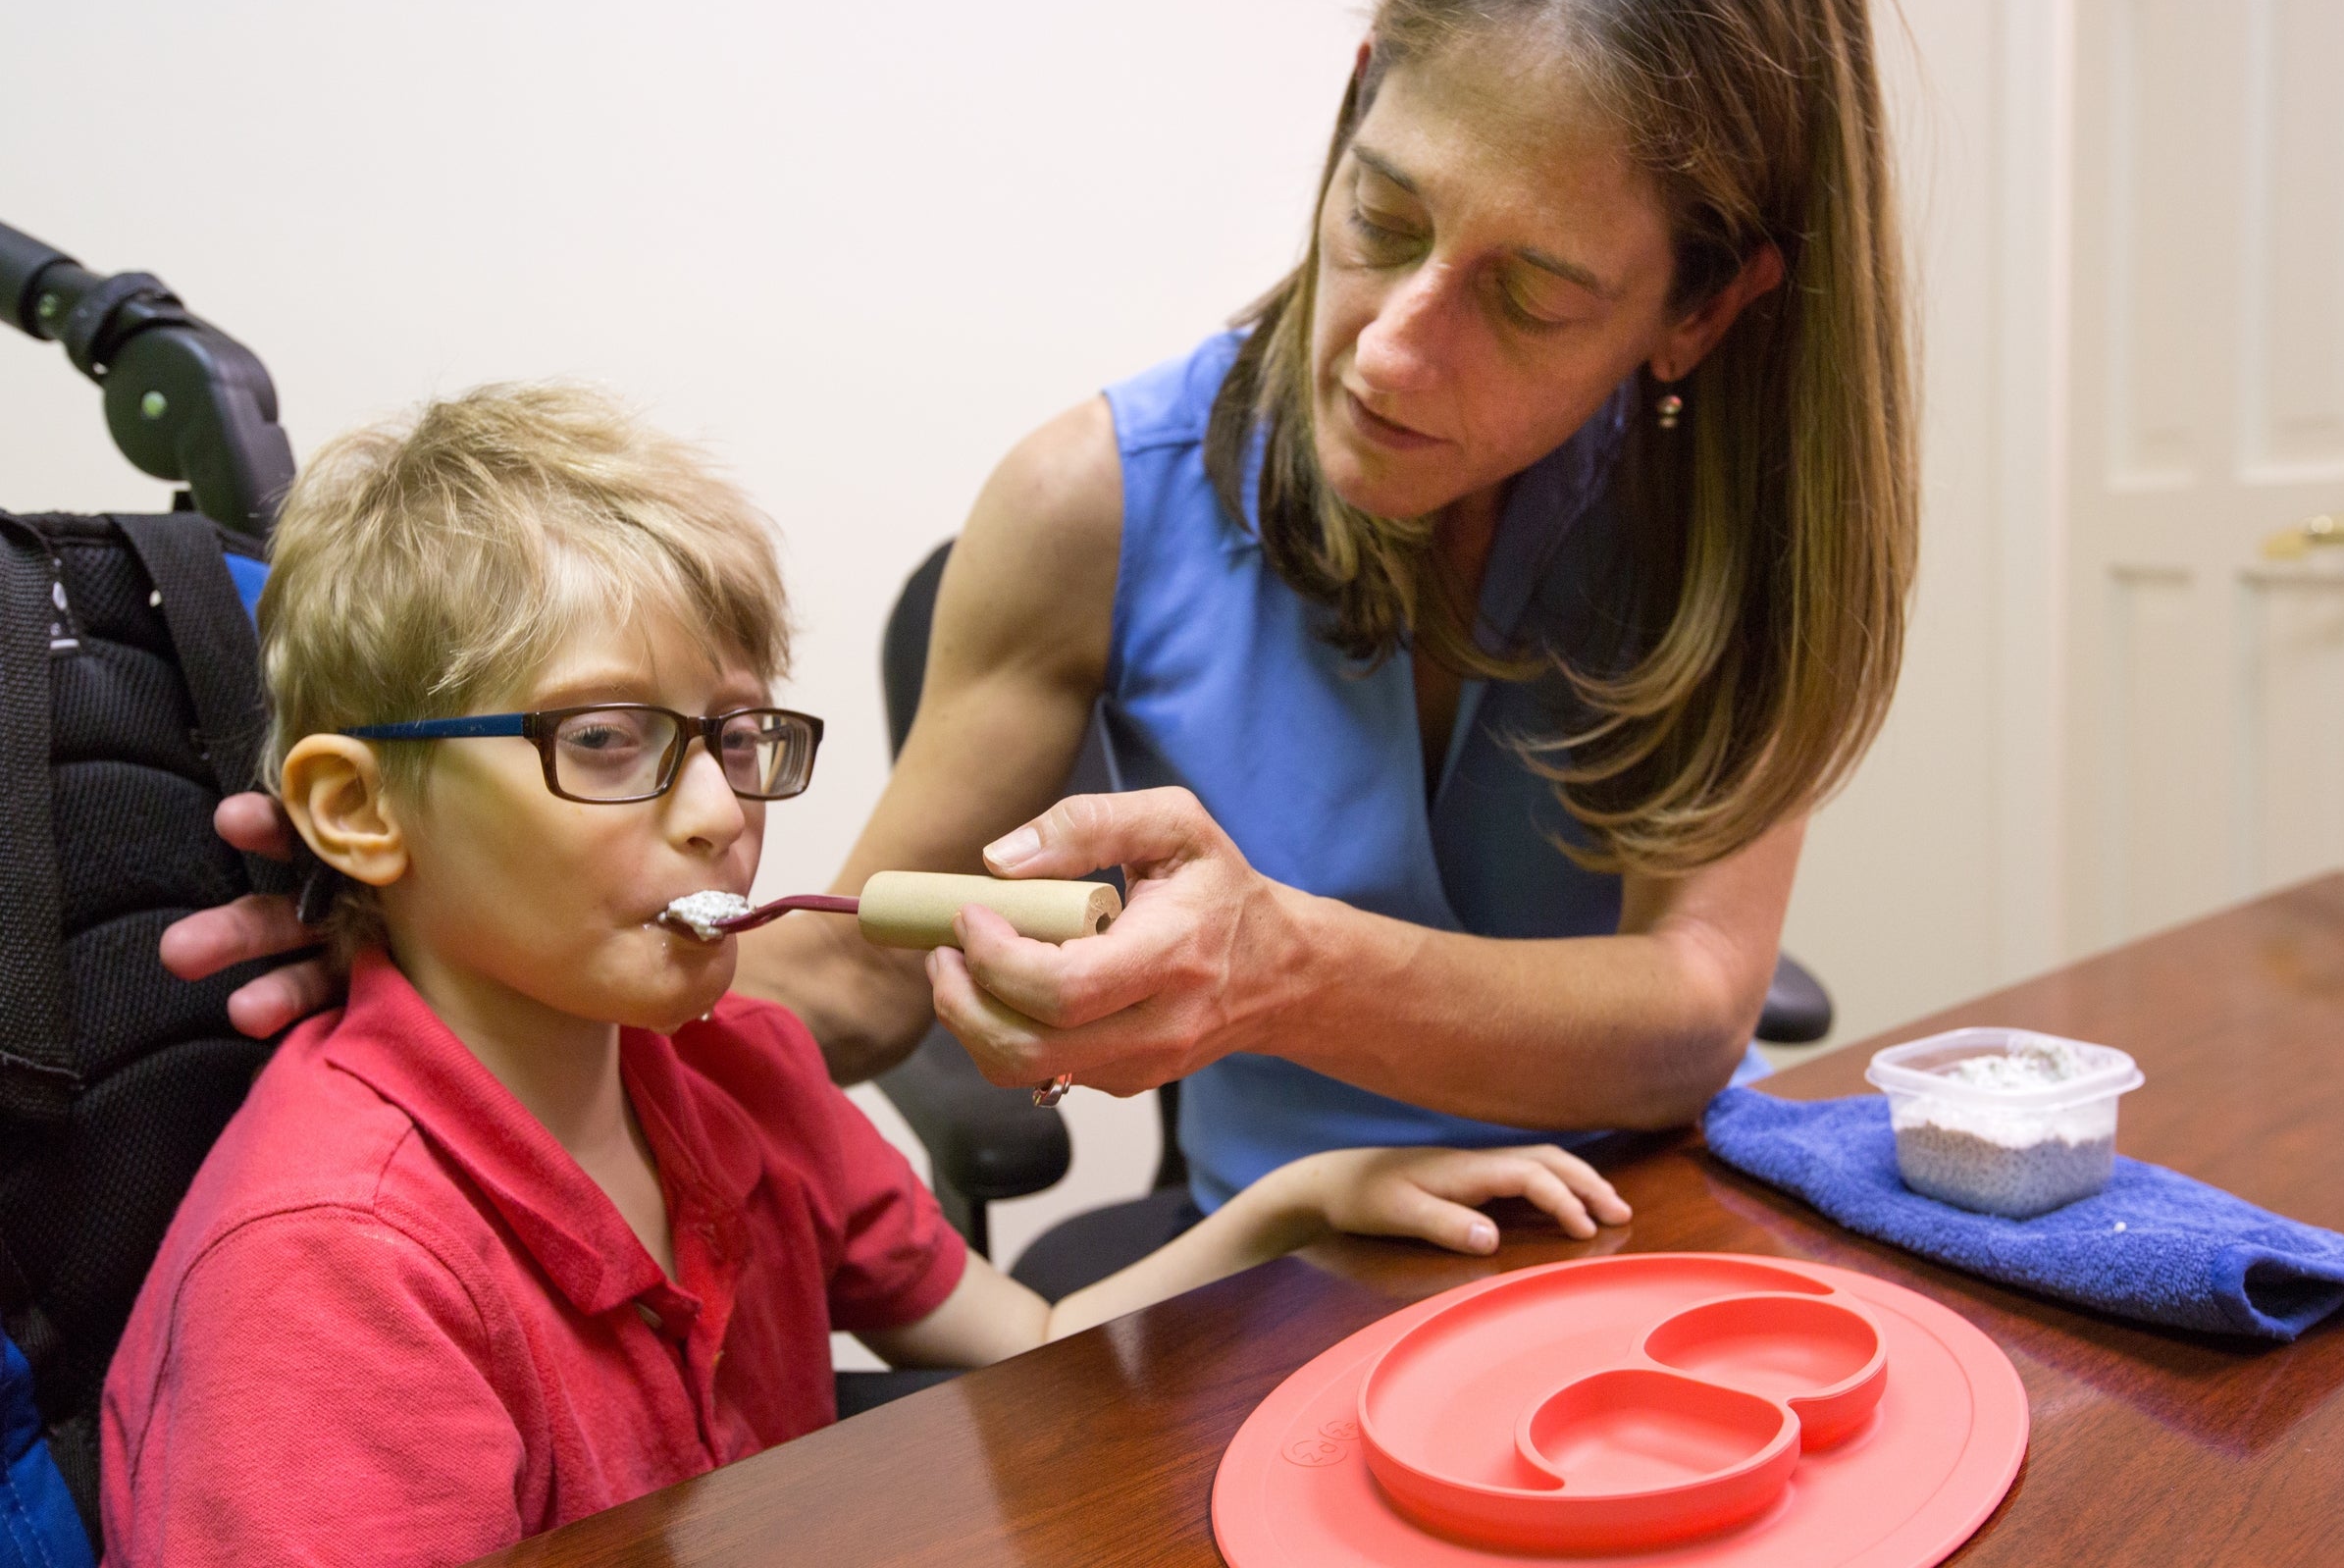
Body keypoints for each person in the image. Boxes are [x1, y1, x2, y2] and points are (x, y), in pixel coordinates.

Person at [165, 0, 1913, 1251]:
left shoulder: (1733, 537)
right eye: (1383, 218)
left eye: (1534, 298)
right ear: (1357, 86)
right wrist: (456, 950)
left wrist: (1286, 971)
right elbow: (847, 974)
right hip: (1291, 1280)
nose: (1386, 351)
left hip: (1656, 1246)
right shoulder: (1091, 502)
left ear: (1699, 311)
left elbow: (1697, 1014)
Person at [100, 386, 1628, 1566]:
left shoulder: (737, 1072)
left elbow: (1025, 1351)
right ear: (362, 810)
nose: (720, 814)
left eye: (737, 737)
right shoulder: (328, 1279)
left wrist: (1299, 1205)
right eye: (608, 742)